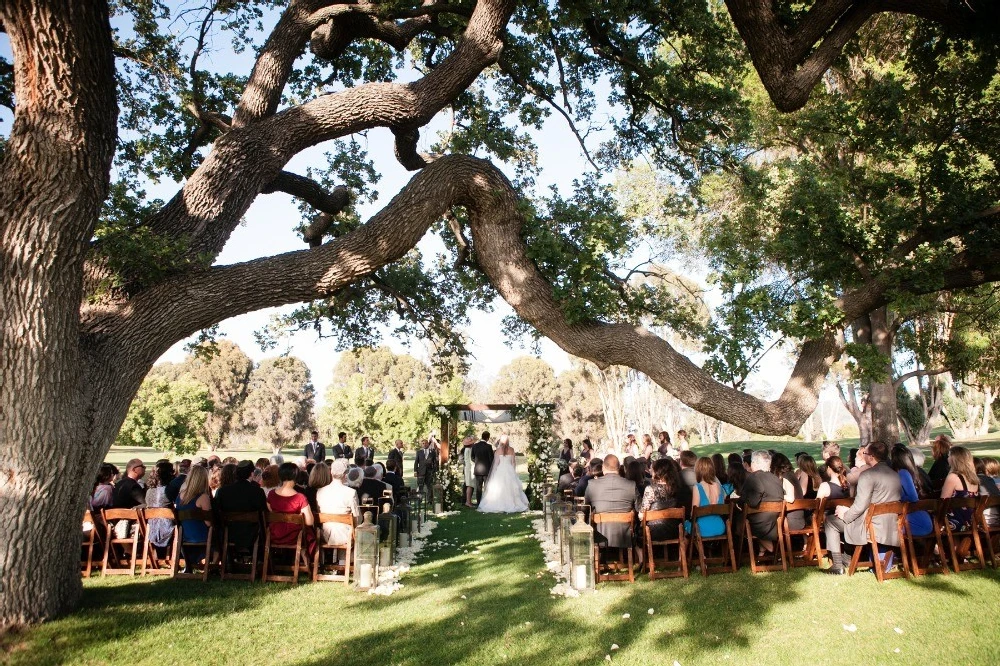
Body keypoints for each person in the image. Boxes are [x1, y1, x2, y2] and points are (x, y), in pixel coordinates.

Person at [823, 441, 902, 575]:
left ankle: (837, 565)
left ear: (871, 457)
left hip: (871, 525)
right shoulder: (895, 474)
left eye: (865, 453)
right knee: (846, 517)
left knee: (831, 521)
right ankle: (847, 558)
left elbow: (860, 506)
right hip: (892, 524)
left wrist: (845, 514)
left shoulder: (867, 475)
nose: (863, 456)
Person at [214, 460, 268, 554]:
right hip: (252, 535)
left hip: (228, 533)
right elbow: (264, 514)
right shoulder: (257, 491)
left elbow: (217, 512)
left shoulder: (223, 491)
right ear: (251, 474)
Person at [585, 454, 637, 548]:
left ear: (603, 467)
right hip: (625, 537)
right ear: (619, 467)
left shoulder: (592, 485)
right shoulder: (631, 485)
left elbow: (586, 508)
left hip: (600, 536)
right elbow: (639, 509)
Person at [740, 450, 785, 554]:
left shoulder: (754, 477)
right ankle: (762, 553)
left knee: (739, 520)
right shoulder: (775, 478)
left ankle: (772, 549)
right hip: (776, 520)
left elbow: (752, 502)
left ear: (754, 463)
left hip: (760, 522)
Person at [267, 462, 316, 556]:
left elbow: (270, 511)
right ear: (296, 477)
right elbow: (309, 522)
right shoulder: (300, 498)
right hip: (294, 536)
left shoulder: (271, 494)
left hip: (275, 534)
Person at [638, 458, 690, 541]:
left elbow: (641, 516)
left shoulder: (650, 489)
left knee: (636, 540)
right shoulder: (680, 488)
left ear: (657, 472)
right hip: (676, 530)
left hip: (653, 531)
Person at [478, 435, 530, 513]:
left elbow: (496, 463)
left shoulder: (498, 450)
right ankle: (513, 503)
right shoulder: (512, 450)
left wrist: (494, 472)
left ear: (500, 442)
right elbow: (513, 462)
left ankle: (498, 503)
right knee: (511, 487)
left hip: (500, 470)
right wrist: (513, 471)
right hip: (509, 469)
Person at [175, 465, 213, 570]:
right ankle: (219, 564)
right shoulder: (203, 497)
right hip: (200, 536)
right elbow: (208, 523)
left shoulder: (180, 496)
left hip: (184, 535)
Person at [316, 459, 360, 550]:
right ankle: (344, 560)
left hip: (325, 534)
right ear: (345, 474)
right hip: (345, 535)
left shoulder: (320, 491)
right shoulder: (351, 492)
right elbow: (357, 517)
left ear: (331, 473)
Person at [891, 445, 932, 537]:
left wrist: (898, 497)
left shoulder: (903, 473)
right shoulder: (912, 472)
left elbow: (913, 497)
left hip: (917, 521)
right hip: (921, 517)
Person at [940, 446, 980, 532]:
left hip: (955, 521)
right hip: (971, 521)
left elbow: (943, 501)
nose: (947, 458)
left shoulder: (953, 477)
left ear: (954, 459)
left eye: (949, 456)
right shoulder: (974, 478)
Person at [686, 457, 726, 537]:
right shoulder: (719, 486)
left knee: (685, 524)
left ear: (698, 470)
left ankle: (688, 549)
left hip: (702, 529)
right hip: (720, 527)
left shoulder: (697, 487)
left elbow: (694, 513)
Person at [771, 452, 805, 531]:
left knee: (765, 524)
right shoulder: (791, 475)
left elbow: (790, 498)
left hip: (792, 521)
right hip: (797, 519)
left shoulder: (786, 476)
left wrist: (776, 495)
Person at [470, 431, 495, 505]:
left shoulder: (475, 446)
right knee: (487, 487)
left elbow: (472, 457)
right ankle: (486, 502)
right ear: (488, 438)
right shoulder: (488, 446)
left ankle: (478, 503)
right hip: (487, 470)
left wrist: (477, 462)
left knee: (478, 488)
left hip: (477, 470)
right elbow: (491, 459)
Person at [461, 436, 476, 507]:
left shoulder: (466, 449)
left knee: (469, 485)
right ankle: (468, 501)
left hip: (467, 468)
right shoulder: (469, 450)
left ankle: (468, 501)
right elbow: (471, 460)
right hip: (469, 468)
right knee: (470, 485)